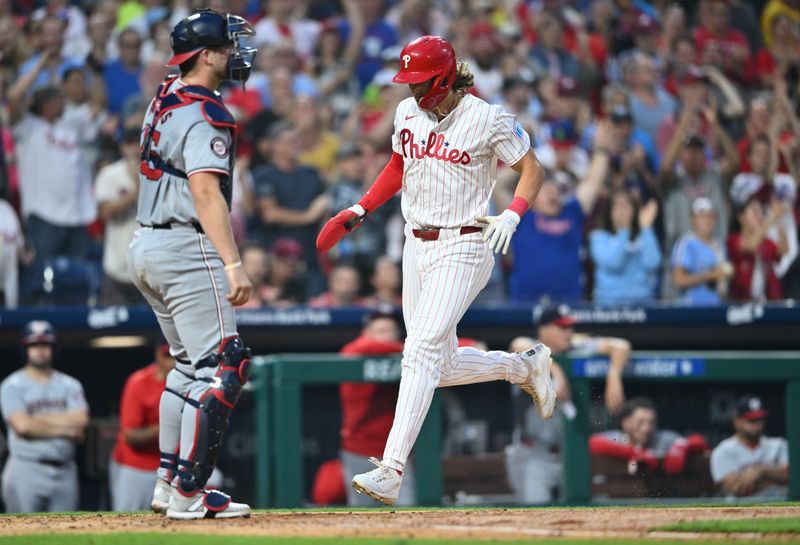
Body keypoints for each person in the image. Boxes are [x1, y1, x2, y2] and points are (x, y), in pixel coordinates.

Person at [317, 35, 556, 506]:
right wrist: (361, 207)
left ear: (445, 77)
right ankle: (521, 366)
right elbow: (396, 165)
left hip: (466, 242)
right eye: (408, 81)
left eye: (419, 81)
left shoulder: (488, 118)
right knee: (438, 366)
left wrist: (514, 212)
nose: (411, 90)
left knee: (419, 351)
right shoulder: (408, 113)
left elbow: (533, 169)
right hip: (416, 244)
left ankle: (391, 468)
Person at [127, 9, 257, 520]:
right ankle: (188, 493)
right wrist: (233, 263)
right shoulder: (205, 113)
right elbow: (206, 193)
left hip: (147, 246)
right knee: (226, 365)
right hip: (185, 246)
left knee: (187, 368)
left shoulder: (168, 93)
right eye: (226, 47)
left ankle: (166, 485)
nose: (234, 54)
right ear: (205, 55)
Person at [0, 321, 89, 513]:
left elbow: (80, 423)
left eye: (45, 345)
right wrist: (65, 424)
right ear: (25, 349)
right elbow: (23, 427)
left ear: (54, 348)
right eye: (34, 345)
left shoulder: (70, 385)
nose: (40, 350)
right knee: (21, 538)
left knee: (68, 536)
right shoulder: (12, 385)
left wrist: (36, 422)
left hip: (65, 471)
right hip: (26, 469)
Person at [339, 310, 416, 506]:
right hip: (360, 449)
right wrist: (410, 347)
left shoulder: (409, 360)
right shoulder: (355, 351)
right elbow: (359, 347)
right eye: (380, 330)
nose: (386, 335)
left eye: (390, 330)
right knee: (361, 513)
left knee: (407, 510)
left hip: (397, 455)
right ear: (367, 332)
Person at [109, 337, 176, 511]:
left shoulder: (191, 384)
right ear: (157, 355)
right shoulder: (140, 382)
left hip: (173, 469)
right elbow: (131, 436)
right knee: (125, 524)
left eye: (178, 356)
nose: (173, 362)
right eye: (168, 355)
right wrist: (168, 427)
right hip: (136, 466)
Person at [589, 397, 708, 476]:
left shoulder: (661, 439)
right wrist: (635, 453)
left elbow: (701, 442)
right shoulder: (617, 438)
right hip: (613, 505)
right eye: (640, 422)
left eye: (651, 422)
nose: (647, 428)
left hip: (657, 501)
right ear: (625, 423)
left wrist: (683, 445)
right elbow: (592, 443)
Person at [96, 127, 143, 306]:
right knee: (113, 332)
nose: (135, 147)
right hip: (117, 266)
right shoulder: (110, 174)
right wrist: (136, 190)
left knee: (150, 330)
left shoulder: (160, 174)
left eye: (138, 142)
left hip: (148, 269)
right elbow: (105, 211)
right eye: (130, 143)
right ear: (122, 146)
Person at [710, 395, 789, 500]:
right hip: (739, 510)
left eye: (759, 419)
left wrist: (761, 471)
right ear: (737, 421)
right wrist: (773, 479)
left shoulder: (779, 445)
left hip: (780, 507)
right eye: (752, 420)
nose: (757, 425)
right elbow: (736, 488)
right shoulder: (723, 450)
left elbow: (792, 478)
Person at [589, 193, 661, 306]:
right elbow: (614, 263)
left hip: (643, 305)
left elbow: (652, 264)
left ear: (634, 211)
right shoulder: (599, 238)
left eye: (626, 206)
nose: (622, 210)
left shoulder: (644, 236)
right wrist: (624, 231)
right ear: (609, 212)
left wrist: (646, 228)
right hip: (609, 308)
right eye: (618, 206)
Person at [671, 197, 733, 305]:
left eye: (710, 215)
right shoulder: (686, 243)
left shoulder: (719, 245)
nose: (706, 219)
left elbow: (722, 282)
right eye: (701, 215)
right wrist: (710, 275)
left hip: (715, 307)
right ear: (693, 219)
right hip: (691, 309)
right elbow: (679, 280)